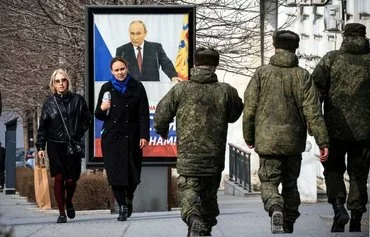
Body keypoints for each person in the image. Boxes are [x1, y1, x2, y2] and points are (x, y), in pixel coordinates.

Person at [243, 30, 329, 234]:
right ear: (295, 48)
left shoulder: (261, 73)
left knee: (269, 182)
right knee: (291, 185)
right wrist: (323, 141)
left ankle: (275, 208)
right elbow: (313, 112)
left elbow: (250, 108)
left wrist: (249, 135)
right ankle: (288, 221)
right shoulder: (303, 76)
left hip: (267, 142)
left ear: (275, 46)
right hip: (293, 143)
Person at [154, 47, 243, 236]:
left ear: (195, 63)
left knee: (189, 193)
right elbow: (235, 114)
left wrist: (161, 130)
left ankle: (193, 219)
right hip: (213, 157)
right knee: (209, 198)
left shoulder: (181, 88)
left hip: (188, 158)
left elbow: (161, 113)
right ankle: (204, 229)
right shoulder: (226, 91)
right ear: (215, 65)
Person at [311, 23, 370, 233]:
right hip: (365, 132)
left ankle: (338, 209)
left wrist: (315, 125)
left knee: (333, 170)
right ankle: (356, 217)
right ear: (364, 36)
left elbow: (314, 93)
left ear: (344, 36)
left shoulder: (331, 58)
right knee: (359, 174)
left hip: (334, 129)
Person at [95, 56, 150, 221]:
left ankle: (129, 198)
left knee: (133, 175)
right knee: (115, 175)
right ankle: (122, 207)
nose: (120, 72)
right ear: (112, 71)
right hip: (112, 138)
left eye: (122, 69)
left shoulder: (137, 87)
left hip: (132, 137)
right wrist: (102, 108)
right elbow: (99, 114)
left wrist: (144, 135)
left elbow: (143, 114)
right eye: (116, 70)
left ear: (127, 69)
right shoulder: (106, 88)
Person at [36, 68, 92, 223]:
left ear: (68, 81)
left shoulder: (78, 100)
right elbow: (43, 128)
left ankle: (68, 201)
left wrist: (77, 132)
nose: (61, 83)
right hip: (55, 145)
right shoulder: (49, 103)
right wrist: (40, 147)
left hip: (72, 145)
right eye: (57, 81)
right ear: (53, 84)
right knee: (59, 178)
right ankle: (61, 213)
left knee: (71, 180)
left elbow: (87, 119)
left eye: (63, 80)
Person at [115, 20, 181, 82]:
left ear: (145, 33)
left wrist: (173, 76)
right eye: (132, 33)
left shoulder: (156, 48)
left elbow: (166, 64)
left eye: (138, 33)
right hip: (129, 90)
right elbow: (116, 70)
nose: (135, 38)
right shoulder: (121, 50)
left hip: (153, 89)